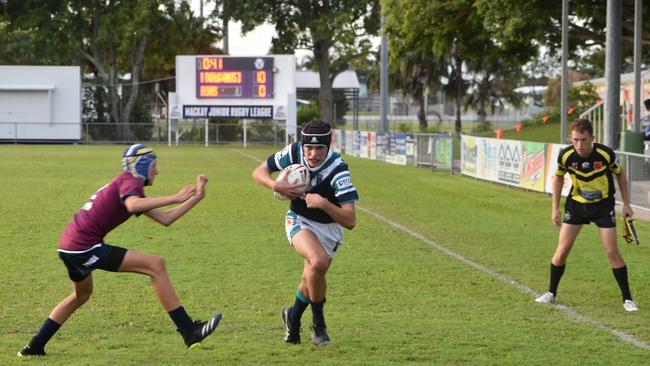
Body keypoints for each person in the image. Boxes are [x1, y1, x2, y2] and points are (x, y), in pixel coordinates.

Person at [18, 144, 222, 357]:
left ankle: (35, 346)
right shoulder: (130, 182)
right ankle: (189, 331)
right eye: (155, 166)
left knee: (82, 295)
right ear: (143, 165)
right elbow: (133, 205)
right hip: (84, 248)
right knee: (156, 265)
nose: (157, 171)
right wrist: (176, 196)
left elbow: (166, 218)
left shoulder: (127, 185)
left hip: (69, 247)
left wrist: (196, 197)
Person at [252, 119, 358, 346]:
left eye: (319, 148)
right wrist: (274, 185)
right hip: (299, 220)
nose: (313, 154)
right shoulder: (293, 152)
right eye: (309, 147)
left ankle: (293, 317)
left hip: (330, 229)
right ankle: (319, 325)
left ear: (328, 147)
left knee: (312, 275)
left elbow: (350, 220)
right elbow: (259, 171)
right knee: (318, 262)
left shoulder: (338, 170)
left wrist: (324, 203)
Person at [535, 119, 639, 312]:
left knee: (612, 252)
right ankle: (551, 293)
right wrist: (555, 208)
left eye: (583, 140)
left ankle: (628, 299)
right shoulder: (565, 155)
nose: (579, 145)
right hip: (576, 206)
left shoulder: (605, 154)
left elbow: (620, 174)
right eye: (575, 140)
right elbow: (558, 178)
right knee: (562, 250)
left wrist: (626, 203)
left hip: (602, 207)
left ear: (593, 137)